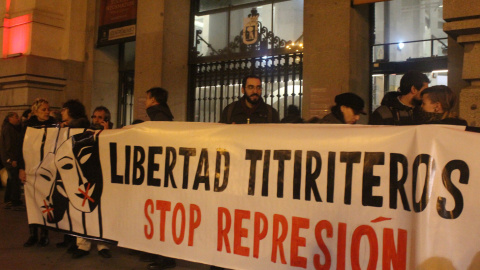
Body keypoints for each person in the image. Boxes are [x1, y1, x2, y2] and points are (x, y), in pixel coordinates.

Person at [143, 87, 175, 270]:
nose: (145, 101)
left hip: (160, 172)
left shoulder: (159, 117)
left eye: (147, 98)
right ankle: (160, 254)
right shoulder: (161, 115)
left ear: (154, 100)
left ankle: (165, 257)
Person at [21, 98, 58, 247]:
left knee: (45, 201)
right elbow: (21, 147)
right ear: (35, 111)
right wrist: (21, 168)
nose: (47, 112)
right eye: (43, 109)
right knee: (31, 201)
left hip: (47, 169)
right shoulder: (28, 126)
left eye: (48, 109)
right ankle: (32, 234)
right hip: (30, 168)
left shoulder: (53, 124)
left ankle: (44, 234)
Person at [1, 112, 23, 210]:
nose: (18, 119)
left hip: (9, 158)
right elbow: (10, 145)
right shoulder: (9, 129)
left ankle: (9, 199)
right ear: (10, 118)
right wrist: (12, 159)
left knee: (11, 179)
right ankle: (14, 200)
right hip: (10, 159)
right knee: (14, 179)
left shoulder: (9, 128)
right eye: (16, 117)